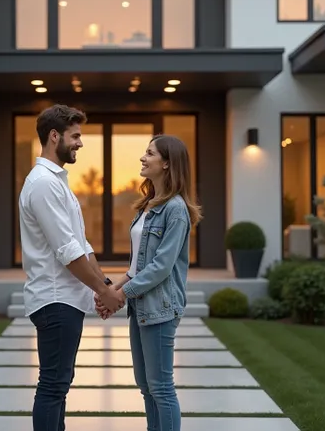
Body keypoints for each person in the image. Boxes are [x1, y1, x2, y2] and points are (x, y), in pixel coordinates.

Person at [19, 104, 124, 431]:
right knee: (53, 385)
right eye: (75, 136)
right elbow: (68, 253)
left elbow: (81, 246)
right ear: (54, 136)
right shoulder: (43, 184)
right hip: (54, 300)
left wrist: (104, 284)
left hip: (64, 300)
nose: (80, 143)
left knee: (59, 385)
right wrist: (104, 291)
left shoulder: (56, 183)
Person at [95, 134, 202, 431]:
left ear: (167, 163)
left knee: (161, 388)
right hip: (141, 307)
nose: (143, 157)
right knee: (146, 387)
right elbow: (138, 266)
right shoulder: (148, 205)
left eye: (150, 153)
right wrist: (111, 291)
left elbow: (160, 268)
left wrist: (120, 295)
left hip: (161, 308)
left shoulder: (175, 209)